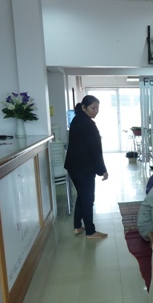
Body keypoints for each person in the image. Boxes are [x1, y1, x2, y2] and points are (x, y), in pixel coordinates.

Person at [64, 95, 109, 239]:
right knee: (88, 199)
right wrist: (102, 170)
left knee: (82, 196)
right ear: (84, 107)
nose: (96, 111)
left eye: (97, 108)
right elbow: (95, 150)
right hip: (83, 168)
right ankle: (90, 231)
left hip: (74, 167)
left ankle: (77, 226)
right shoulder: (88, 124)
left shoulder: (77, 119)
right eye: (93, 108)